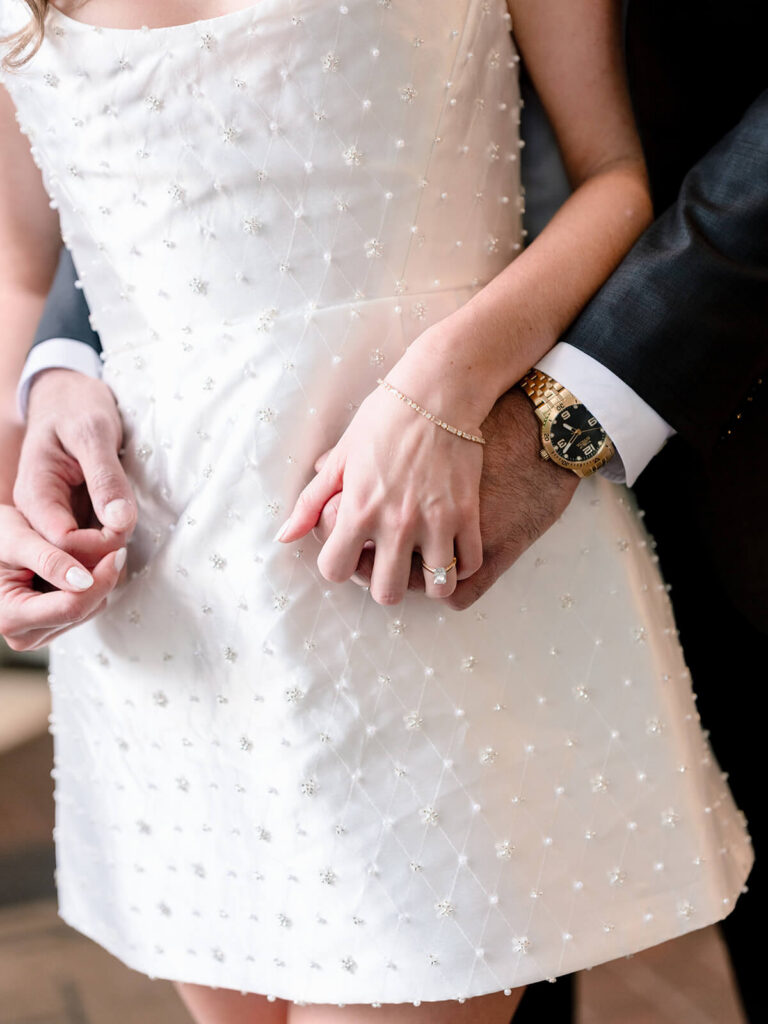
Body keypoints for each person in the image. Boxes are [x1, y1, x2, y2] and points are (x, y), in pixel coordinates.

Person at [0, 3, 754, 1023]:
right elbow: (26, 262)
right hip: (171, 610)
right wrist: (21, 449)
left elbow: (612, 172)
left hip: (424, 550)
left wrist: (450, 379)